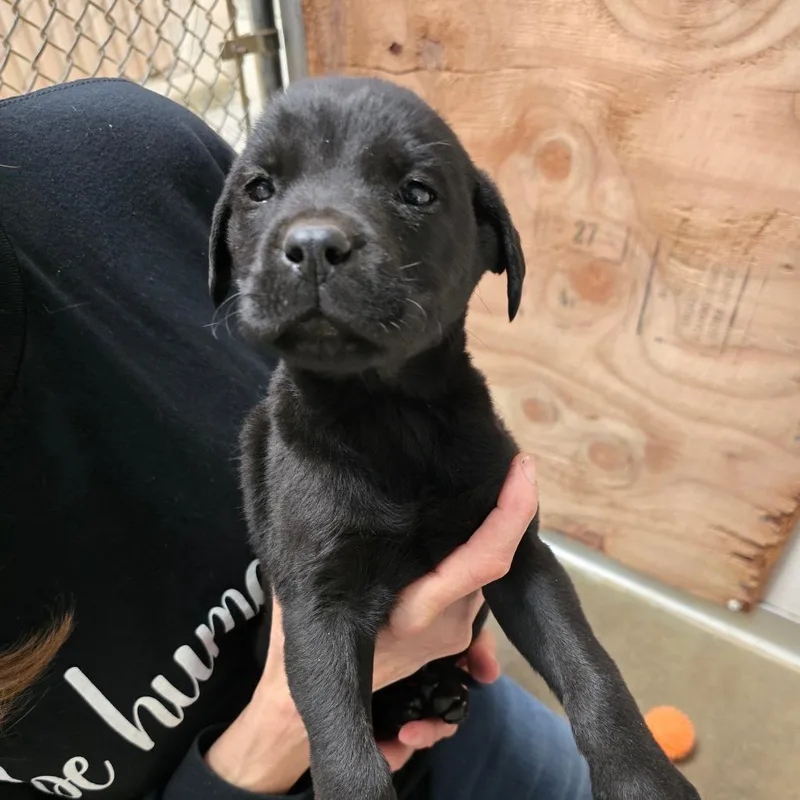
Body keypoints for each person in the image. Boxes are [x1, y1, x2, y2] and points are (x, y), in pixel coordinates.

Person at [0, 78, 592, 799]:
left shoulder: (114, 155)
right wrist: (281, 725)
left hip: (455, 718)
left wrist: (438, 576)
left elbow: (365, 354)